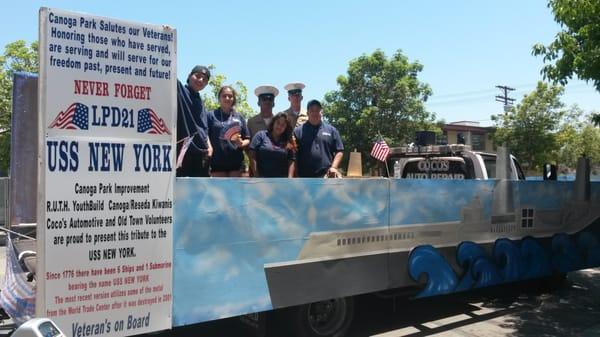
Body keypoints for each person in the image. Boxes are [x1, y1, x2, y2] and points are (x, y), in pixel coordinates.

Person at [176, 65, 212, 177]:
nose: (200, 80)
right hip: (185, 153)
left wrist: (209, 146)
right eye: (197, 76)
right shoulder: (180, 91)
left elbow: (204, 128)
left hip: (202, 154)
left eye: (204, 79)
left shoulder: (201, 102)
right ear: (189, 76)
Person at [207, 85, 250, 177]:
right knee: (218, 191)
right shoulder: (210, 115)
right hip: (217, 163)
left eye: (230, 96)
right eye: (224, 96)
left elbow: (247, 138)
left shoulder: (239, 117)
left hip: (236, 164)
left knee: (234, 191)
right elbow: (205, 135)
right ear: (219, 98)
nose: (227, 98)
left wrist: (241, 143)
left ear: (233, 99)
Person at [294, 100, 344, 178]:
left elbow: (339, 151)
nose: (315, 113)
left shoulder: (332, 130)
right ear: (307, 113)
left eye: (317, 110)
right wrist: (295, 176)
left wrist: (334, 167)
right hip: (304, 178)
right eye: (312, 110)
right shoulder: (298, 131)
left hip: (326, 177)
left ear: (322, 112)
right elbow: (294, 156)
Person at [248, 113, 296, 178]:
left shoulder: (288, 141)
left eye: (283, 125)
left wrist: (289, 178)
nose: (279, 126)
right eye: (278, 123)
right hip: (261, 179)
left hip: (281, 181)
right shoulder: (261, 135)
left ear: (286, 128)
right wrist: (256, 175)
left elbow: (291, 160)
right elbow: (252, 155)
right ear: (273, 123)